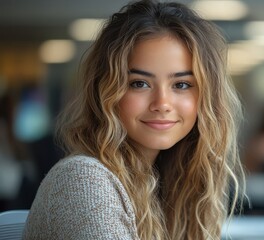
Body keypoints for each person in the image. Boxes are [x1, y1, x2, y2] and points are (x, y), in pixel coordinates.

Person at [23, 0, 244, 239]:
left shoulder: (171, 184)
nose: (162, 103)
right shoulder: (84, 180)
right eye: (139, 84)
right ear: (105, 91)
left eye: (181, 84)